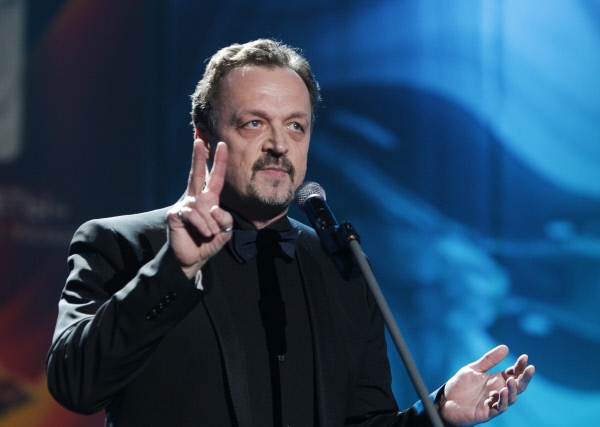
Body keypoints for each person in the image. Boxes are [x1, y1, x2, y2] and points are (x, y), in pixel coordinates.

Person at [46, 39, 534, 427]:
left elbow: (365, 421)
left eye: (296, 126)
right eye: (254, 123)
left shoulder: (342, 264)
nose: (279, 145)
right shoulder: (121, 244)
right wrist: (172, 270)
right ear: (204, 135)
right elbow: (75, 386)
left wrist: (438, 411)